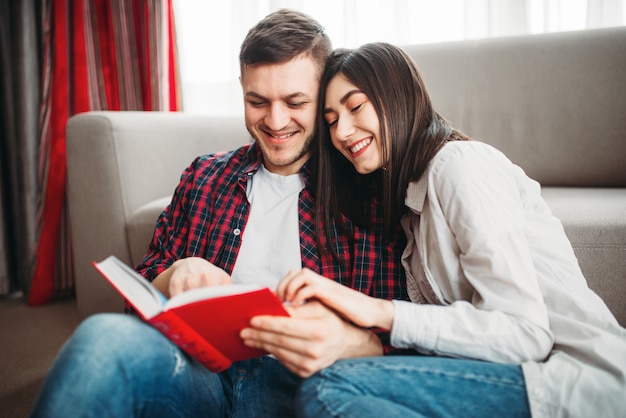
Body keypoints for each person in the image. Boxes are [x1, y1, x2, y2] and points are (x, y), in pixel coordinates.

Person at [30, 14, 409, 418]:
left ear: (324, 98)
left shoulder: (367, 191)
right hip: (200, 373)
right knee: (102, 337)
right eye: (257, 101)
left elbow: (406, 322)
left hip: (306, 390)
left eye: (296, 103)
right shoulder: (205, 176)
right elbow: (139, 299)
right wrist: (173, 275)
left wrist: (358, 342)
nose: (275, 121)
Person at [276, 43, 626, 418]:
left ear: (399, 97)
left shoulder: (459, 166)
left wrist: (378, 312)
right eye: (331, 120)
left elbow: (526, 333)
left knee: (331, 390)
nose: (342, 131)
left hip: (570, 382)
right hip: (510, 376)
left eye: (356, 106)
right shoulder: (411, 206)